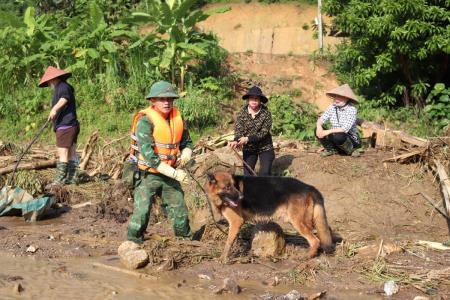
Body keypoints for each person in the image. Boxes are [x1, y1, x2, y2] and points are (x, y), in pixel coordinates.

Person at [127, 80, 193, 244]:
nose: (166, 102)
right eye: (162, 99)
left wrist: (186, 153)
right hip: (148, 175)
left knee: (180, 210)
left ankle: (184, 242)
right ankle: (133, 241)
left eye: (169, 99)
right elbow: (150, 157)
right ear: (153, 101)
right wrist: (175, 173)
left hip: (169, 174)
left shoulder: (177, 117)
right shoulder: (145, 121)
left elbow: (187, 142)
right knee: (142, 211)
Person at [39, 66, 80, 185]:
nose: (48, 83)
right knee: (71, 153)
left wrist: (54, 110)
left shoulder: (62, 87)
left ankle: (60, 180)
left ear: (52, 79)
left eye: (48, 81)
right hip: (72, 125)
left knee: (63, 153)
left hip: (65, 126)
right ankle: (72, 179)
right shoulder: (64, 87)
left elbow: (64, 99)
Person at [229, 86, 275, 176]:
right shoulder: (242, 113)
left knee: (264, 174)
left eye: (256, 99)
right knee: (247, 176)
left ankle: (265, 189)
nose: (254, 101)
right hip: (249, 148)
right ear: (248, 100)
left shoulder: (266, 113)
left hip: (265, 147)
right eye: (252, 98)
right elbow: (239, 129)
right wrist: (236, 141)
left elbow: (263, 133)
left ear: (260, 100)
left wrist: (247, 139)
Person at [316, 84, 361, 157]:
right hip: (334, 135)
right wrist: (319, 127)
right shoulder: (332, 107)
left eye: (340, 97)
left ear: (346, 98)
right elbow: (322, 118)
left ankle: (351, 150)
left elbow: (344, 129)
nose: (336, 99)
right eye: (336, 96)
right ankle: (331, 149)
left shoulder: (351, 109)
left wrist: (327, 132)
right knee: (317, 130)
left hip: (349, 138)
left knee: (339, 136)